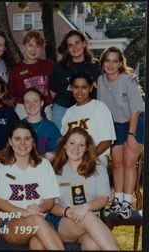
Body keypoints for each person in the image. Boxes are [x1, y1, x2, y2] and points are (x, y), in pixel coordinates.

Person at [0, 121, 64, 250]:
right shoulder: (1, 166)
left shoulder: (44, 165)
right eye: (17, 139)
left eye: (27, 138)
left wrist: (39, 209)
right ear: (10, 141)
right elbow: (0, 202)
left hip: (42, 219)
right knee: (36, 220)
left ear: (33, 141)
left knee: (38, 244)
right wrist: (24, 212)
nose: (23, 143)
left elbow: (50, 200)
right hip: (11, 223)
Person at [50, 127, 118, 250]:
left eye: (81, 145)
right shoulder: (55, 171)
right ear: (65, 145)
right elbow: (51, 206)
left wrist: (86, 207)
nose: (76, 148)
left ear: (87, 148)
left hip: (90, 224)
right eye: (72, 143)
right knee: (87, 215)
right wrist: (67, 211)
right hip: (65, 222)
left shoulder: (98, 168)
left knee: (92, 245)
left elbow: (103, 198)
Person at [98, 47, 144, 219]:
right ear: (102, 64)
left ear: (120, 63)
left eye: (114, 61)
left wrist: (131, 135)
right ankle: (117, 200)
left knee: (129, 162)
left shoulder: (128, 81)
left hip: (135, 123)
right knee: (116, 163)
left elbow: (136, 111)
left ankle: (126, 202)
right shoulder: (100, 81)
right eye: (107, 61)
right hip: (115, 126)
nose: (111, 64)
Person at [61, 72, 116, 166]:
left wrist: (87, 160)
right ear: (71, 88)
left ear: (90, 88)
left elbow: (107, 141)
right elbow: (65, 141)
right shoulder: (69, 112)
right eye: (76, 87)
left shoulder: (100, 107)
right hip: (72, 164)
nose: (79, 91)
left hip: (94, 163)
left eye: (84, 87)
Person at [49, 30, 101, 130]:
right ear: (67, 48)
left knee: (84, 142)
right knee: (60, 141)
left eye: (77, 43)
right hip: (61, 110)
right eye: (70, 45)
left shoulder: (94, 66)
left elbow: (107, 81)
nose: (74, 48)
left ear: (84, 43)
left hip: (87, 110)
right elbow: (52, 92)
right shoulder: (60, 67)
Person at [8, 30, 53, 120]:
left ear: (41, 48)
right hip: (23, 109)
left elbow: (54, 88)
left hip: (44, 108)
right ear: (24, 46)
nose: (33, 49)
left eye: (38, 46)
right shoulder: (16, 69)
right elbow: (11, 94)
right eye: (30, 45)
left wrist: (48, 102)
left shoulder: (48, 65)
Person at [22, 87, 61, 161]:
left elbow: (60, 149)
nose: (31, 105)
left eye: (35, 101)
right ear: (24, 105)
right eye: (27, 102)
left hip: (45, 168)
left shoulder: (51, 127)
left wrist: (53, 154)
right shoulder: (18, 126)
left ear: (42, 103)